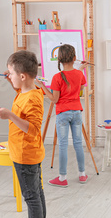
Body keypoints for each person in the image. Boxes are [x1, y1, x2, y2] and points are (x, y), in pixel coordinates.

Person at [0, 50, 47, 218]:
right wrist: (11, 83)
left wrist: (9, 115)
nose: (9, 76)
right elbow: (22, 100)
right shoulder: (27, 92)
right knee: (37, 194)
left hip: (26, 155)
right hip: (27, 153)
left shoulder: (32, 99)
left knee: (32, 197)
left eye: (11, 73)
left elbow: (33, 129)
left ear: (22, 76)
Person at [36, 44, 88, 187]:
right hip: (77, 111)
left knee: (63, 145)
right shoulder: (79, 74)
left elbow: (54, 99)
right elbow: (80, 89)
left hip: (63, 113)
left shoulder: (57, 77)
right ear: (75, 58)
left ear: (59, 59)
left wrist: (42, 87)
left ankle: (62, 178)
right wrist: (81, 70)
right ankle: (82, 175)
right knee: (78, 143)